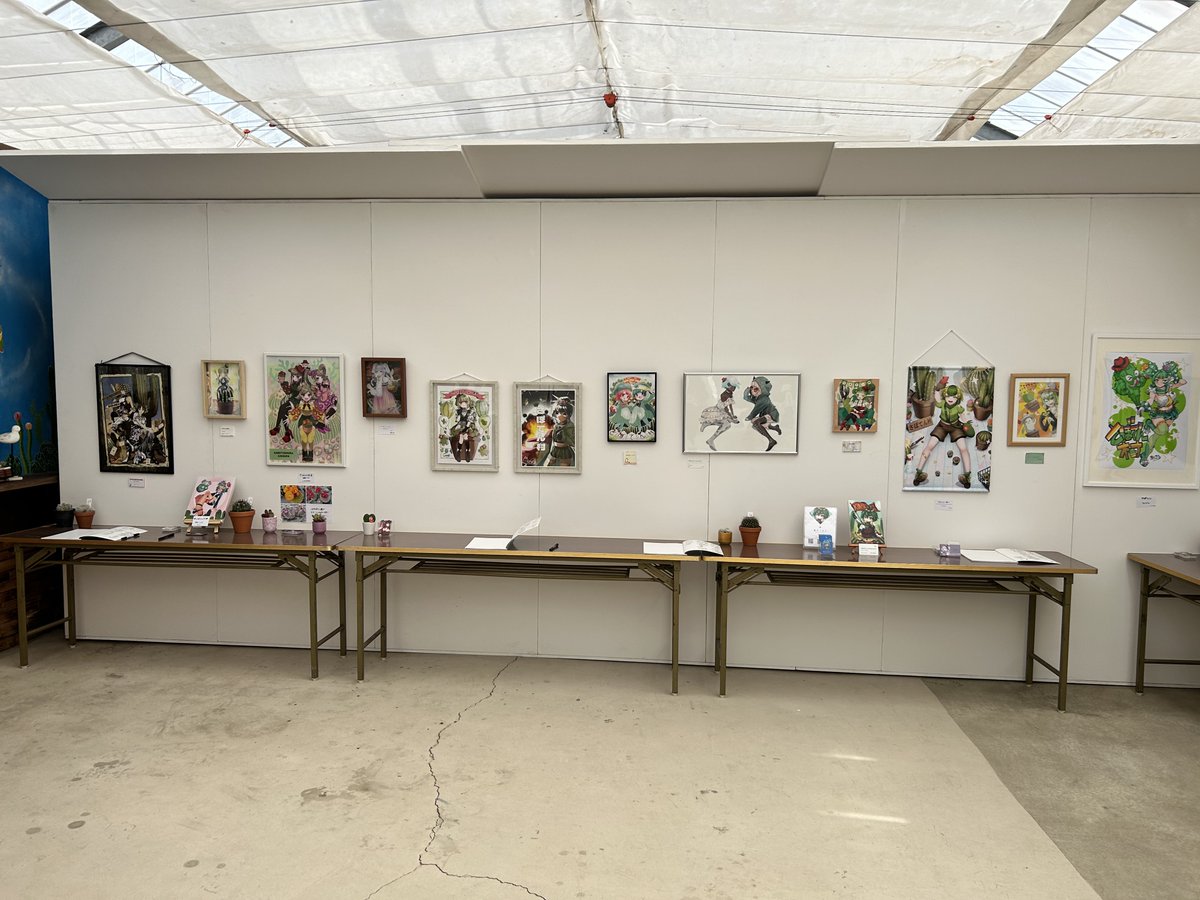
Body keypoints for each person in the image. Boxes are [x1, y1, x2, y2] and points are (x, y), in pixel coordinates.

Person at [912, 377, 973, 488]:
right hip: (942, 425)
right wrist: (938, 388)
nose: (950, 399)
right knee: (929, 446)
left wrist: (967, 426)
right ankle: (918, 472)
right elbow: (937, 397)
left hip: (955, 426)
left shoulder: (958, 407)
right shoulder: (942, 404)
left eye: (954, 397)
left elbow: (963, 418)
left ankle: (967, 475)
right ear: (945, 396)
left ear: (958, 398)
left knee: (963, 448)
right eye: (948, 396)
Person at [743, 376, 781, 451]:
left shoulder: (764, 399)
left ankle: (771, 440)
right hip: (766, 415)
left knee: (756, 422)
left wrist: (749, 417)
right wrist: (747, 390)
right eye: (751, 388)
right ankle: (775, 428)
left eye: (756, 389)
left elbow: (756, 410)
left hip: (772, 414)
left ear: (762, 389)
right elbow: (746, 398)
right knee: (755, 424)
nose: (753, 390)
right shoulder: (758, 398)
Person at [546, 397, 576, 467]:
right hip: (555, 449)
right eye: (557, 413)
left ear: (568, 415)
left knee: (564, 468)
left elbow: (572, 441)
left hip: (565, 450)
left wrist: (563, 435)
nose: (559, 416)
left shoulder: (570, 426)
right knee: (548, 465)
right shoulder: (556, 425)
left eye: (564, 413)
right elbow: (553, 439)